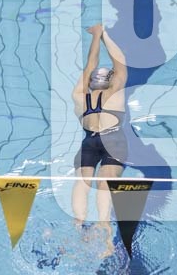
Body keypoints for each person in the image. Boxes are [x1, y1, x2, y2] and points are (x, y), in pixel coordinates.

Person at [71, 24, 127, 257]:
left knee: (83, 183)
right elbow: (120, 62)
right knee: (105, 183)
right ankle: (104, 230)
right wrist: (104, 35)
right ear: (109, 79)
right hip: (113, 140)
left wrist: (96, 37)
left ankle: (78, 226)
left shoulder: (79, 95)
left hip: (89, 142)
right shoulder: (114, 92)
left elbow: (90, 64)